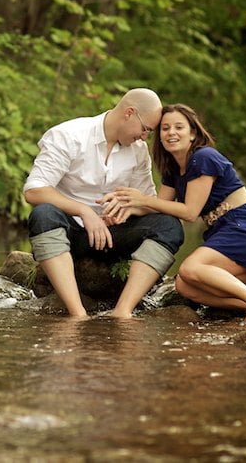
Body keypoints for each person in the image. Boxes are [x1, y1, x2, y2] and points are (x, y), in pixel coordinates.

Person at [100, 103, 246, 323]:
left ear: (193, 133)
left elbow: (189, 212)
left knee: (190, 268)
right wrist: (127, 208)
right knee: (184, 286)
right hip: (225, 231)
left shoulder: (204, 157)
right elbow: (159, 206)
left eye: (179, 127)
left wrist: (143, 199)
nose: (171, 133)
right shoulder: (173, 168)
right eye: (165, 128)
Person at [23, 88, 184, 319]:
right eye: (145, 129)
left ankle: (123, 310)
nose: (144, 137)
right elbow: (34, 190)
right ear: (129, 113)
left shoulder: (138, 151)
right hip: (72, 234)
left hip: (114, 235)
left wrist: (130, 208)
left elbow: (150, 203)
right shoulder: (68, 135)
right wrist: (84, 211)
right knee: (43, 214)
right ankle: (77, 313)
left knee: (169, 225)